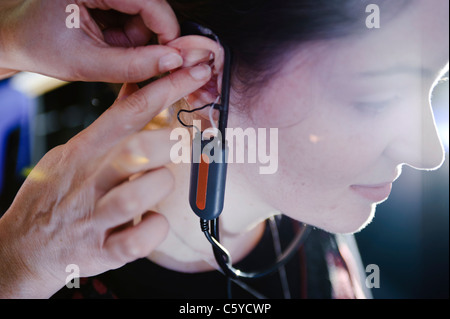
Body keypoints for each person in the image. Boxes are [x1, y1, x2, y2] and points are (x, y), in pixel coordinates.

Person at [0, 0, 448, 299]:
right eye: (377, 99)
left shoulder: (316, 202)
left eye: (437, 86)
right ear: (206, 76)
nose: (431, 155)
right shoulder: (44, 273)